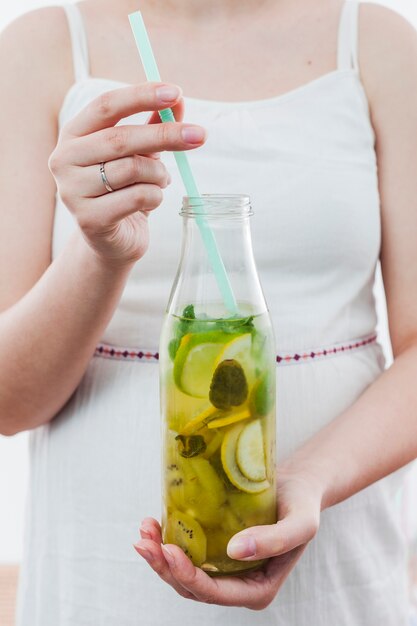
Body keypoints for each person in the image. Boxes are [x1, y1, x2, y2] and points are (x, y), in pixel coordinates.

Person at [0, 0, 416, 623]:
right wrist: (102, 255)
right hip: (103, 574)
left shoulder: (380, 39)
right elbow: (10, 402)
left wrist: (307, 479)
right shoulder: (42, 44)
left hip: (335, 559)